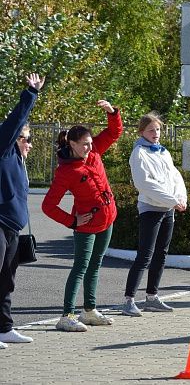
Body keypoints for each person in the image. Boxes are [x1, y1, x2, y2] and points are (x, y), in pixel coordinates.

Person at [42, 99, 123, 332]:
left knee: (96, 264)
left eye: (90, 143)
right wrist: (72, 221)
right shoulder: (66, 171)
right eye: (84, 144)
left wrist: (112, 112)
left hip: (107, 219)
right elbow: (49, 205)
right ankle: (66, 315)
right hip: (86, 226)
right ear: (72, 144)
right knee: (80, 267)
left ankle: (89, 311)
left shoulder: (95, 151)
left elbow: (114, 132)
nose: (89, 147)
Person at [121, 112, 188, 317]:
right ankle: (129, 300)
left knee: (162, 253)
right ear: (142, 132)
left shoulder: (162, 152)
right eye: (151, 130)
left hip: (167, 210)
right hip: (151, 208)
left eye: (158, 129)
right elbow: (145, 184)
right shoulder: (139, 153)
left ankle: (152, 296)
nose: (155, 133)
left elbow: (175, 176)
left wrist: (180, 197)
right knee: (145, 255)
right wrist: (172, 200)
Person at [0, 74, 44, 349]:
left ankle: (4, 328)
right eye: (26, 138)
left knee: (7, 280)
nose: (29, 143)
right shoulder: (4, 150)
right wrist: (31, 93)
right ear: (15, 138)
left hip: (13, 227)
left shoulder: (18, 160)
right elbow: (16, 121)